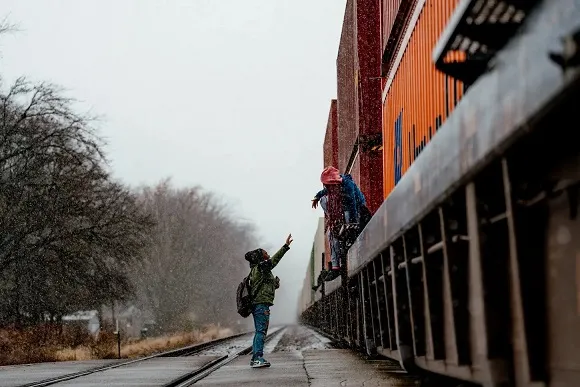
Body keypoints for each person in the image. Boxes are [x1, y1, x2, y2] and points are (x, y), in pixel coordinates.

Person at [244, 233, 293, 368]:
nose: (268, 254)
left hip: (258, 304)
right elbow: (275, 260)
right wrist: (285, 246)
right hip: (261, 305)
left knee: (259, 331)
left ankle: (256, 357)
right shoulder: (261, 267)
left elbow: (262, 287)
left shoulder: (257, 270)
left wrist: (274, 284)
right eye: (266, 253)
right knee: (261, 331)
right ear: (261, 257)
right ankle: (257, 358)